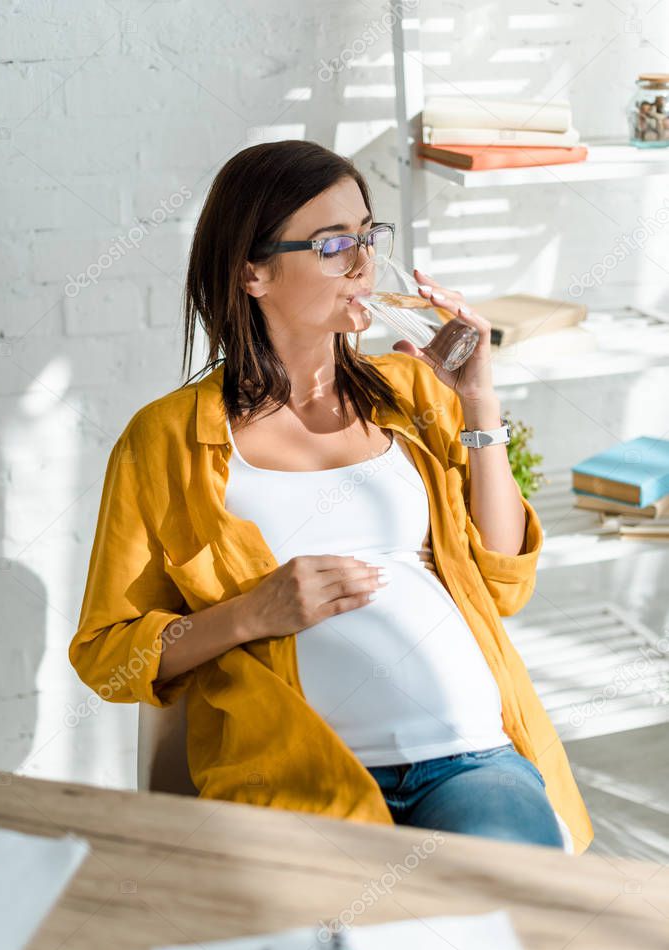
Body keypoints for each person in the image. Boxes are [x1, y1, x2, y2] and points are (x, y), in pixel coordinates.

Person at [69, 140, 594, 855]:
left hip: (470, 756)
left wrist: (478, 402)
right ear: (252, 271)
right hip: (298, 776)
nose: (362, 265)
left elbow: (503, 578)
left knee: (515, 922)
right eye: (331, 245)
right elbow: (108, 655)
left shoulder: (413, 391)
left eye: (367, 236)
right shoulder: (165, 439)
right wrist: (251, 613)